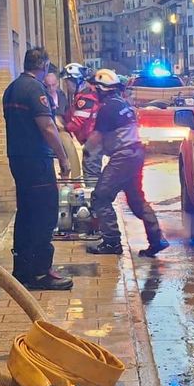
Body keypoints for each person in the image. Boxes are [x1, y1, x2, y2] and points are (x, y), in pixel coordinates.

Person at [3, 47, 74, 290]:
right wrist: (63, 158)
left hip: (18, 159)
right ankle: (42, 272)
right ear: (43, 65)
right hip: (37, 162)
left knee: (26, 214)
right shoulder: (35, 89)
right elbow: (47, 127)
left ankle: (22, 270)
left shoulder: (12, 88)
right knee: (44, 214)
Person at [83, 69, 169, 257]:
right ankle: (157, 239)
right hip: (135, 153)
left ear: (101, 89)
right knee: (137, 200)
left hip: (123, 157)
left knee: (101, 197)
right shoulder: (123, 104)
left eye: (95, 89)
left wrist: (86, 150)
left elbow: (97, 136)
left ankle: (112, 242)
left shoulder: (107, 108)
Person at [65, 73, 104, 185]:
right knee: (93, 170)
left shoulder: (85, 98)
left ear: (77, 81)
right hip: (94, 138)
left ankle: (94, 198)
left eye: (68, 83)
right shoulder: (88, 95)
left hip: (92, 140)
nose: (67, 87)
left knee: (91, 173)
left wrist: (64, 128)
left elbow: (78, 121)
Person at [43, 69, 81, 180]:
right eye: (48, 85)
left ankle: (73, 180)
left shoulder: (61, 95)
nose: (51, 88)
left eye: (53, 85)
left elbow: (65, 113)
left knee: (69, 151)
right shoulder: (43, 96)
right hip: (49, 131)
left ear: (57, 83)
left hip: (62, 130)